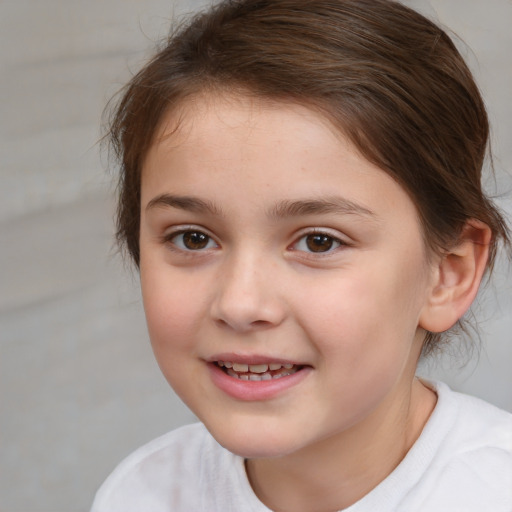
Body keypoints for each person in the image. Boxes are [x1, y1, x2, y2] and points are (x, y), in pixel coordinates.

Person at [91, 0, 512, 510]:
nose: (241, 304)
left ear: (448, 273)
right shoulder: (140, 496)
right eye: (193, 238)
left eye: (319, 241)